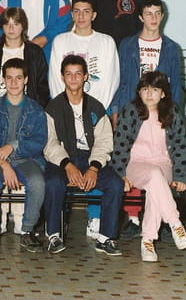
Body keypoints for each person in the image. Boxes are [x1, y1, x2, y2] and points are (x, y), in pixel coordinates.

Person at [108, 0, 184, 239]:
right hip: (132, 112)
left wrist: (173, 116)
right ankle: (133, 218)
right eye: (148, 13)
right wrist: (116, 111)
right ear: (141, 17)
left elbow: (176, 88)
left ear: (163, 16)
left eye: (157, 13)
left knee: (156, 165)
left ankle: (153, 231)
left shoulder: (171, 48)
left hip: (159, 112)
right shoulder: (128, 45)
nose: (153, 18)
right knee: (133, 157)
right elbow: (121, 81)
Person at [42, 55, 124, 256]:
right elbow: (49, 142)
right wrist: (67, 164)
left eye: (78, 74)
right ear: (62, 77)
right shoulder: (53, 107)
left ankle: (105, 238)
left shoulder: (96, 107)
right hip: (62, 159)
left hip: (90, 158)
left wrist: (94, 167)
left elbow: (104, 141)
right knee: (53, 182)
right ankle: (53, 235)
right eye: (68, 74)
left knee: (115, 184)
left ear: (85, 76)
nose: (73, 78)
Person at [111, 71, 186, 262]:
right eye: (145, 89)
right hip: (135, 164)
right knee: (156, 178)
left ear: (163, 93)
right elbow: (120, 144)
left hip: (163, 163)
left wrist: (181, 176)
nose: (149, 94)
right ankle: (175, 224)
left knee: (156, 184)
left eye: (155, 90)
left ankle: (147, 241)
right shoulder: (131, 110)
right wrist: (120, 173)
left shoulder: (172, 112)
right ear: (139, 92)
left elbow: (181, 146)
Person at [0, 58, 47, 252]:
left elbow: (38, 142)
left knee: (37, 181)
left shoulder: (35, 109)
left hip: (27, 159)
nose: (14, 82)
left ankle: (27, 230)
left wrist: (13, 146)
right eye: (9, 78)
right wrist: (4, 164)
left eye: (18, 78)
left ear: (26, 80)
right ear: (3, 79)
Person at [48, 0, 119, 117]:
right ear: (72, 15)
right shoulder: (60, 41)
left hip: (97, 111)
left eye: (86, 11)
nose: (81, 16)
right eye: (77, 11)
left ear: (93, 15)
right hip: (65, 111)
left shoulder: (106, 42)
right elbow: (55, 79)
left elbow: (111, 81)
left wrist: (95, 110)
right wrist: (65, 107)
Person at [0, 7, 50, 107]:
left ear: (23, 26)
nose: (11, 28)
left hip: (27, 107)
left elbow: (42, 87)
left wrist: (36, 108)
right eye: (7, 24)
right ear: (2, 26)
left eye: (15, 24)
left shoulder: (35, 53)